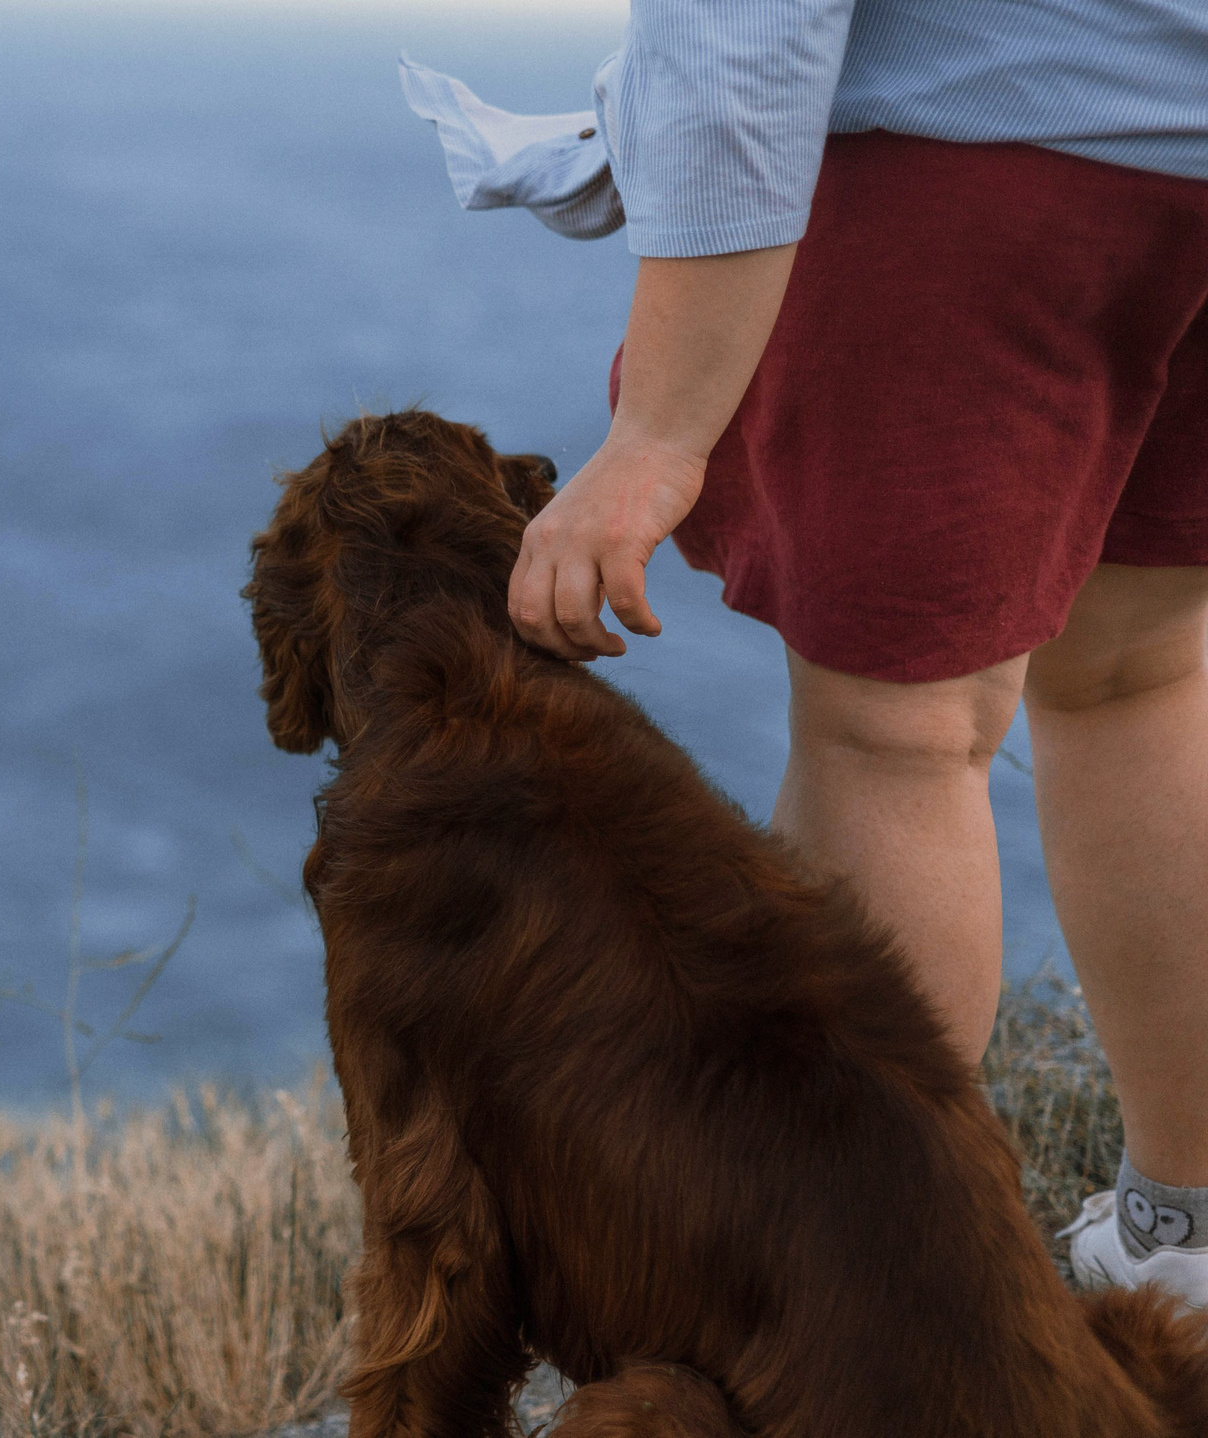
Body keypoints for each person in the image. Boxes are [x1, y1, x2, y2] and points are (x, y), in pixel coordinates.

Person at [444, 0, 1208, 1302]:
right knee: (1140, 677)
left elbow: (745, 30)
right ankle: (1185, 1242)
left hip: (978, 170)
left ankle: (862, 1313)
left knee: (897, 738)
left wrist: (658, 431)